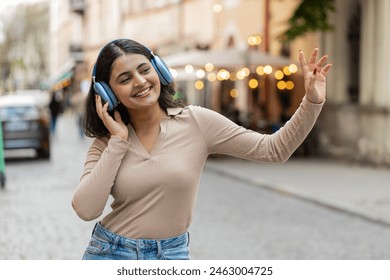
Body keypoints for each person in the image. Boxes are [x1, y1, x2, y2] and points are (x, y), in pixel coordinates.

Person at [72, 38, 332, 260]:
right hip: (112, 254)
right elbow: (86, 209)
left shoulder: (196, 122)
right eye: (125, 78)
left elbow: (274, 149)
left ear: (159, 70)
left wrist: (311, 101)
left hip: (172, 256)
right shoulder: (106, 144)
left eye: (144, 70)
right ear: (107, 93)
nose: (140, 82)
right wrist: (118, 141)